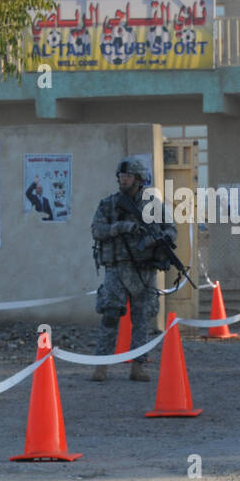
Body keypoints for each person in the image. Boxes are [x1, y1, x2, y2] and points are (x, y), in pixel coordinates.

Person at [90, 159, 175, 382]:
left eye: (128, 175)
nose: (123, 179)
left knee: (142, 319)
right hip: (117, 268)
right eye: (121, 175)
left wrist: (157, 239)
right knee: (110, 315)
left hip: (144, 269)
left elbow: (171, 229)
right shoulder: (109, 204)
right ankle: (101, 366)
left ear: (138, 179)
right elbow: (97, 230)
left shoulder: (153, 205)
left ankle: (139, 366)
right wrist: (121, 227)